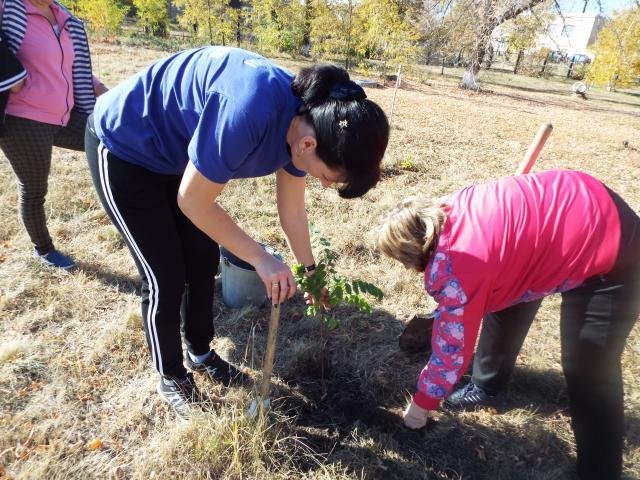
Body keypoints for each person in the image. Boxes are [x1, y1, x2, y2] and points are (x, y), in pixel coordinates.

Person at [84, 46, 390, 420]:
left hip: (177, 159)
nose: (323, 185)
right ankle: (170, 377)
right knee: (164, 275)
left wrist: (311, 273)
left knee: (202, 260)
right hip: (125, 146)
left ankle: (200, 352)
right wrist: (261, 258)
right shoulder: (250, 109)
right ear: (309, 145)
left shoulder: (304, 126)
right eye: (327, 177)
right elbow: (194, 202)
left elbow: (292, 211)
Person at [377, 170, 639, 480]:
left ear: (412, 252)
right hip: (577, 199)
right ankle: (487, 387)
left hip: (613, 246)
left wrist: (420, 407)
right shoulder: (447, 209)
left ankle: (600, 472)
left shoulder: (458, 272)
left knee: (588, 368)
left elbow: (451, 354)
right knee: (506, 295)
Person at [0, 0, 107, 270]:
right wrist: (11, 76)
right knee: (35, 189)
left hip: (65, 114)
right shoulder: (10, 8)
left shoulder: (62, 16)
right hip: (23, 118)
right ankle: (44, 249)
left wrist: (97, 86)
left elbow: (67, 64)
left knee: (109, 139)